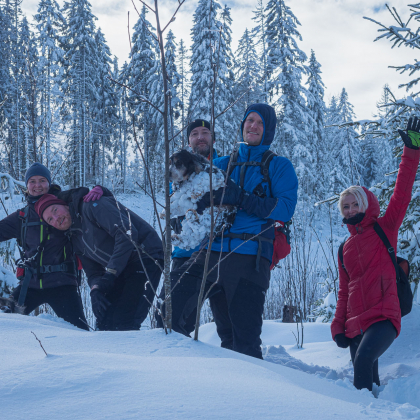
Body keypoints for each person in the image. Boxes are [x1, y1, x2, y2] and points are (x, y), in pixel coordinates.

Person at [168, 103, 298, 359]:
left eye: (260, 123)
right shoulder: (222, 163)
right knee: (169, 313)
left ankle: (243, 396)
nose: (253, 126)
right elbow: (190, 189)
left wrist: (241, 197)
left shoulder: (279, 166)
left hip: (249, 257)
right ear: (242, 125)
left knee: (241, 342)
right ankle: (181, 378)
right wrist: (192, 202)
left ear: (268, 129)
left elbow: (284, 210)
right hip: (208, 252)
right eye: (249, 120)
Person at [331, 116, 420, 392]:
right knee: (368, 380)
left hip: (384, 315)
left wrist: (412, 149)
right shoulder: (344, 248)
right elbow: (345, 290)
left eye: (354, 203)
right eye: (345, 206)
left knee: (363, 360)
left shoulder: (385, 228)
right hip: (356, 321)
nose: (349, 209)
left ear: (365, 203)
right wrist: (338, 324)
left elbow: (402, 192)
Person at [35, 187, 164, 331]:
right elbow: (93, 272)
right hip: (121, 267)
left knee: (125, 321)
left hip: (145, 254)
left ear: (64, 204)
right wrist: (96, 290)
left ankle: (131, 351)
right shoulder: (74, 237)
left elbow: (127, 234)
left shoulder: (91, 205)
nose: (56, 218)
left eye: (55, 210)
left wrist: (110, 274)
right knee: (104, 322)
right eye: (50, 220)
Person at [158, 119, 233, 349]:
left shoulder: (226, 164)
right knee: (170, 316)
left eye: (205, 132)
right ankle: (181, 369)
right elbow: (176, 209)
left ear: (213, 137)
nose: (200, 137)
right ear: (189, 140)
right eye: (194, 134)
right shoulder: (179, 167)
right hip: (185, 253)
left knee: (229, 326)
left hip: (219, 253)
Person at [0, 163, 103, 330]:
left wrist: (101, 190)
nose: (37, 185)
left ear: (49, 183)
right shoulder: (22, 217)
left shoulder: (65, 206)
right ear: (27, 185)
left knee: (80, 334)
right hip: (30, 285)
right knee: (5, 324)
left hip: (63, 285)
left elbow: (86, 200)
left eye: (42, 180)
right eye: (32, 181)